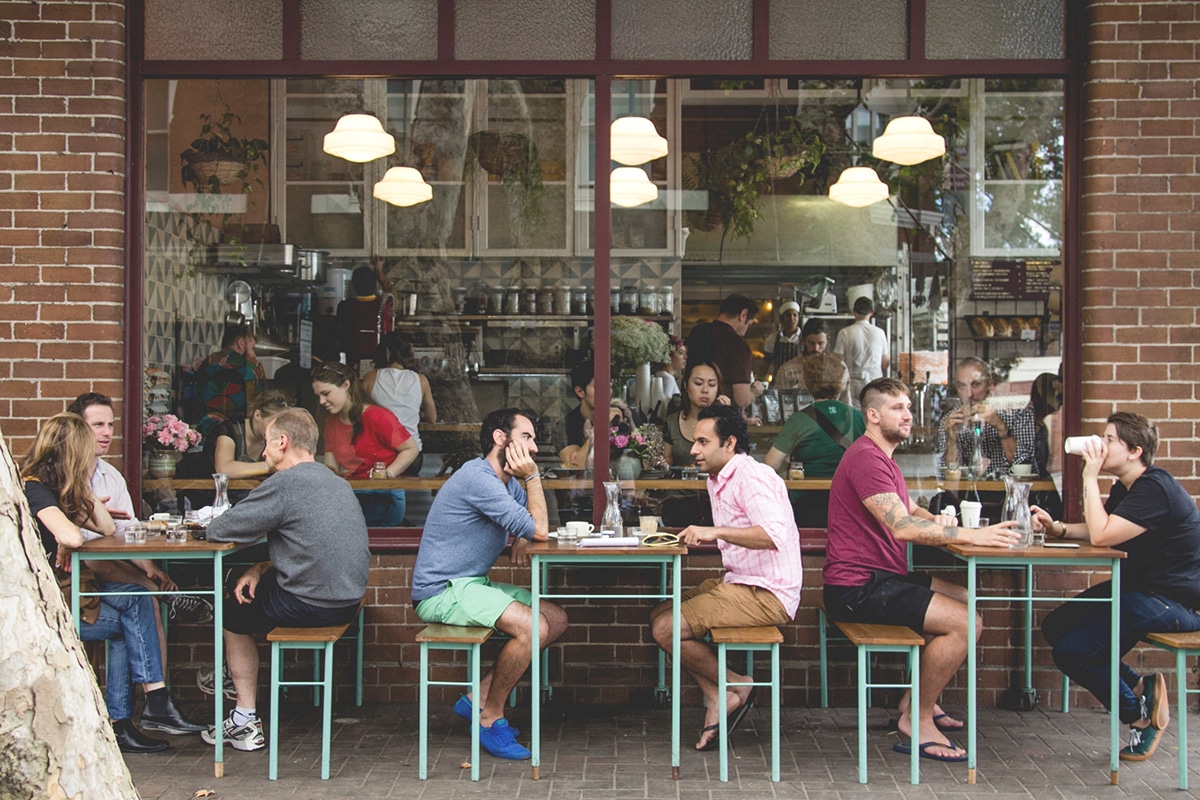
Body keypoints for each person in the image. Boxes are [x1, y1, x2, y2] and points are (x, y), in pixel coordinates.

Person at [824, 378, 1020, 763]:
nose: (909, 414)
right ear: (873, 415)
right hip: (857, 587)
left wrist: (942, 519)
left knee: (968, 602)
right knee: (964, 623)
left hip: (884, 578)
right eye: (898, 408)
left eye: (909, 407)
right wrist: (969, 535)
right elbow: (902, 526)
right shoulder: (866, 457)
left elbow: (909, 510)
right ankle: (917, 718)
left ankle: (917, 698)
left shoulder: (882, 458)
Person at [22, 413, 203, 754]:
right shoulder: (35, 488)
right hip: (46, 606)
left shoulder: (63, 489)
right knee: (126, 620)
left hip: (73, 590)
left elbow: (106, 528)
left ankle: (140, 712)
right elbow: (69, 536)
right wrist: (69, 528)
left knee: (135, 598)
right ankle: (132, 717)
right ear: (69, 453)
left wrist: (84, 498)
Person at [1032, 412, 1200, 762]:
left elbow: (1104, 535)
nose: (1100, 444)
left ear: (1135, 451)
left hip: (1177, 603)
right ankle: (1142, 687)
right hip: (1141, 590)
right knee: (1056, 627)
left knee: (1073, 652)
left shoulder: (1155, 487)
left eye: (1109, 440)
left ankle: (1139, 717)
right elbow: (1102, 526)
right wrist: (1058, 528)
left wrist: (1089, 477)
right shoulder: (1130, 486)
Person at [200, 407, 369, 752]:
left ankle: (243, 719)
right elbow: (308, 547)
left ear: (282, 441)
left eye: (266, 444)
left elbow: (221, 529)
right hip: (347, 600)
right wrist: (261, 568)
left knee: (232, 608)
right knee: (246, 581)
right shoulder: (336, 482)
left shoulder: (286, 483)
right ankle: (227, 675)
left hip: (309, 603)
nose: (263, 454)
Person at [411, 408, 568, 761]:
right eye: (526, 437)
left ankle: (477, 698)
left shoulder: (506, 484)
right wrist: (533, 481)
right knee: (531, 626)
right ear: (501, 438)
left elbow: (534, 526)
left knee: (554, 618)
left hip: (471, 584)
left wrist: (525, 535)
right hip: (442, 590)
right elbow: (540, 528)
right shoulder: (478, 478)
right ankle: (489, 717)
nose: (533, 448)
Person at [649, 405, 802, 752]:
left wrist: (714, 531)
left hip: (768, 592)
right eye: (694, 441)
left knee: (667, 629)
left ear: (730, 443)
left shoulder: (752, 477)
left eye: (703, 442)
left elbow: (772, 534)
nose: (693, 450)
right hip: (742, 582)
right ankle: (719, 695)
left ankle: (738, 684)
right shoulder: (718, 477)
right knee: (659, 615)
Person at [312, 360, 419, 526]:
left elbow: (411, 449)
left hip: (383, 495)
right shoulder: (330, 423)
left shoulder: (377, 416)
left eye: (326, 393)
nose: (321, 401)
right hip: (351, 494)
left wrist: (387, 474)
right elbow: (331, 470)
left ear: (346, 385)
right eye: (318, 396)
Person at [764, 354, 864, 527]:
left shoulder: (799, 420)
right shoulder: (858, 417)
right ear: (840, 383)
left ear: (808, 384)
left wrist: (789, 466)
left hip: (805, 502)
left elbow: (770, 464)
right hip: (849, 502)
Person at [937, 357, 1035, 475]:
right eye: (962, 386)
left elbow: (1024, 468)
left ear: (990, 385)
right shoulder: (951, 420)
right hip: (968, 492)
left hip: (1008, 490)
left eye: (976, 384)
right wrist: (951, 440)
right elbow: (949, 478)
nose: (969, 394)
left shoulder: (1016, 410)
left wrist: (1000, 426)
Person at [363, 331, 437, 475]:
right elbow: (432, 417)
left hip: (380, 456)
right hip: (412, 458)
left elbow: (361, 413)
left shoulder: (370, 378)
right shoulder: (421, 380)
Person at [685, 293, 765, 411]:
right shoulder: (738, 344)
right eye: (748, 325)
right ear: (743, 315)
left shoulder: (697, 332)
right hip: (721, 419)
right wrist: (754, 391)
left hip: (691, 413)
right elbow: (741, 399)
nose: (744, 332)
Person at [202, 389, 291, 479]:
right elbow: (223, 469)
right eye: (273, 423)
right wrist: (271, 466)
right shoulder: (229, 429)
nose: (279, 429)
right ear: (257, 415)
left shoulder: (279, 438)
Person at [196, 323, 265, 437]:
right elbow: (260, 403)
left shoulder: (208, 362)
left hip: (205, 431)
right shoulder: (251, 367)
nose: (254, 354)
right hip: (237, 433)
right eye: (252, 348)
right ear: (241, 343)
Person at [662, 360, 729, 466]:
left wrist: (728, 416)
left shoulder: (724, 420)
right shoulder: (672, 422)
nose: (705, 390)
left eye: (712, 385)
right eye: (698, 383)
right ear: (685, 385)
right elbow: (666, 462)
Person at [773, 317, 852, 407]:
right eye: (811, 343)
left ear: (827, 341)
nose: (816, 349)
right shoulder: (787, 371)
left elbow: (846, 402)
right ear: (803, 341)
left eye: (820, 343)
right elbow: (778, 405)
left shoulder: (839, 368)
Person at [832, 297, 890, 408]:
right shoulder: (880, 333)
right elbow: (885, 363)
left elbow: (836, 361)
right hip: (875, 383)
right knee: (873, 416)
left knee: (854, 418)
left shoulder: (845, 333)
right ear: (872, 312)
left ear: (853, 311)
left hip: (853, 384)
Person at [336, 264, 385, 370]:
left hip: (352, 358)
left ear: (353, 285)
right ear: (375, 285)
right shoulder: (383, 305)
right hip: (377, 357)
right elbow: (393, 294)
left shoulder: (345, 306)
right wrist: (379, 272)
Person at [555, 360, 596, 470]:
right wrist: (599, 430)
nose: (607, 392)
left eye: (609, 386)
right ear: (580, 392)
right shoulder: (565, 425)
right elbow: (576, 466)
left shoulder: (622, 418)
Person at [763, 300, 802, 374]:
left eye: (795, 315)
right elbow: (766, 363)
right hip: (779, 381)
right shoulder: (773, 339)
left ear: (798, 318)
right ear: (782, 319)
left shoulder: (804, 338)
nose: (791, 319)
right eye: (788, 315)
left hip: (800, 381)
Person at [653, 336, 687, 403]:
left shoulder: (660, 375)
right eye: (681, 353)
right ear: (669, 356)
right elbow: (664, 406)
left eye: (685, 353)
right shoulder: (668, 379)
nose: (685, 357)